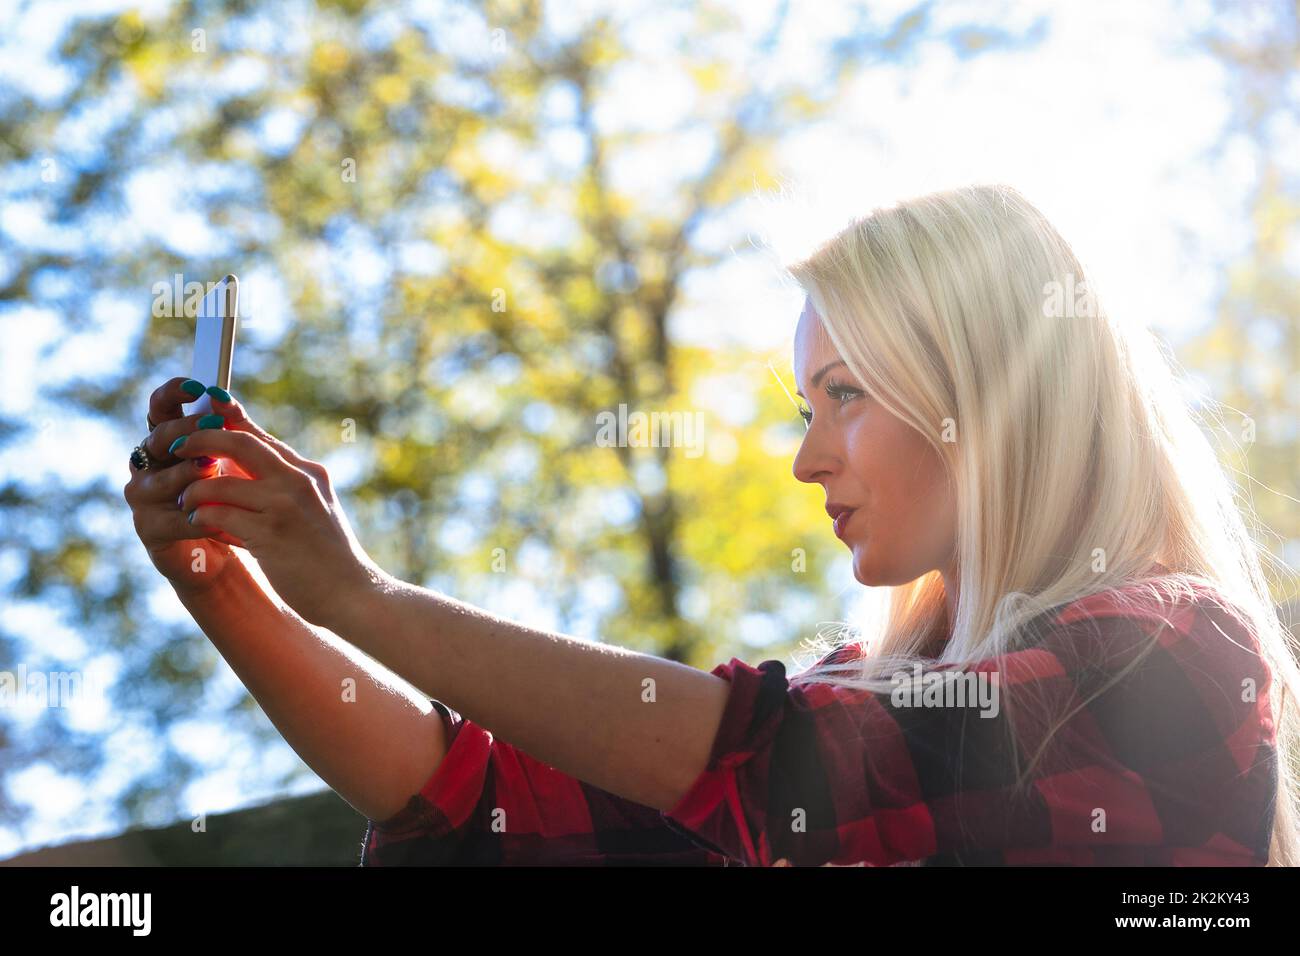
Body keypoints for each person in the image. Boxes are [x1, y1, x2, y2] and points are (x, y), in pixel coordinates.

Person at [122, 184, 1297, 866]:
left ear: (987, 390)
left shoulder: (1176, 656)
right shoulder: (869, 686)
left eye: (847, 393)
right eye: (806, 405)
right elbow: (475, 801)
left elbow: (782, 772)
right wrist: (233, 586)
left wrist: (360, 593)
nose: (806, 456)